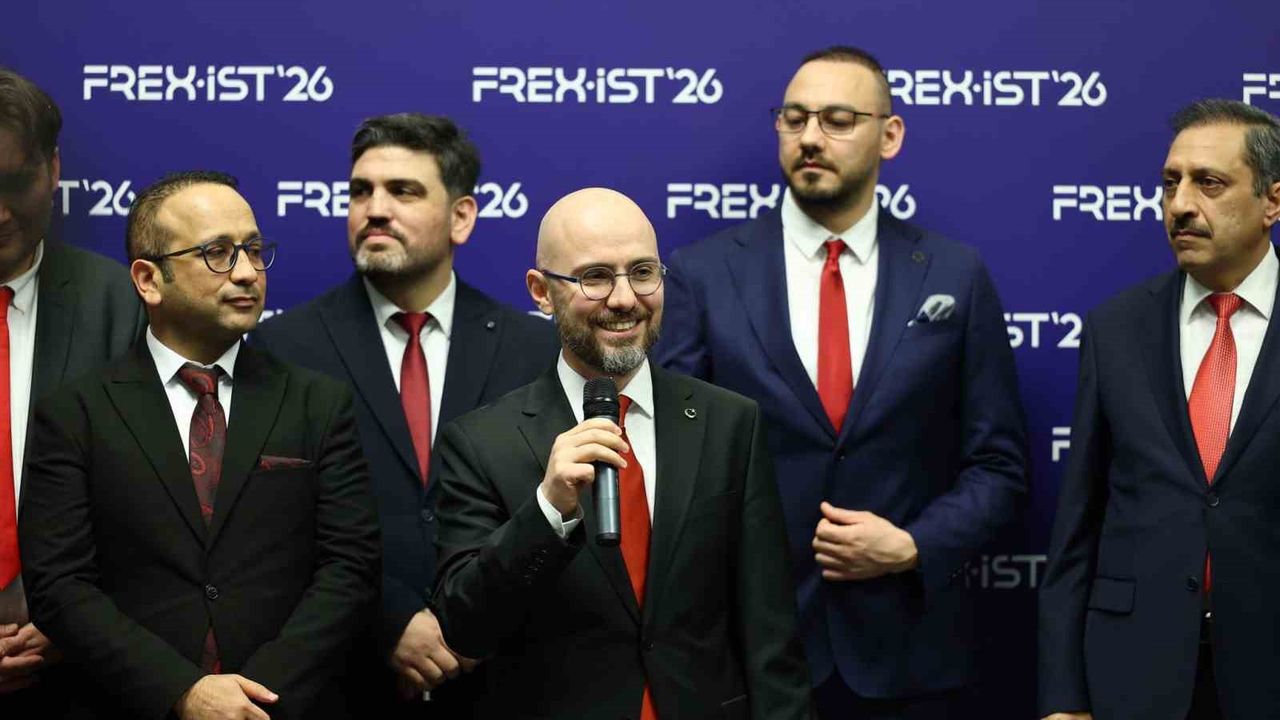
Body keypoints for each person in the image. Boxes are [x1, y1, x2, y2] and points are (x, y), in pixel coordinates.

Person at [653, 46, 1028, 718]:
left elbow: (999, 466)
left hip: (908, 654)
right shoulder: (703, 275)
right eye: (794, 119)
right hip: (747, 657)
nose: (810, 138)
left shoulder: (955, 276)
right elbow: (674, 465)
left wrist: (914, 545)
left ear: (890, 134)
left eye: (837, 119)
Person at [432, 187, 812, 719]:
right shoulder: (480, 442)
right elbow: (465, 627)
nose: (625, 298)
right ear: (542, 292)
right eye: (595, 277)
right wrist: (547, 511)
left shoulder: (730, 424)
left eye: (642, 272)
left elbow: (770, 636)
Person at [19, 171, 380, 719]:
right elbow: (60, 586)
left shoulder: (318, 403)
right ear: (149, 280)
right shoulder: (76, 413)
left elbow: (350, 567)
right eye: (217, 253)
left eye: (254, 250)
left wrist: (257, 696)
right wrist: (182, 691)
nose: (247, 272)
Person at [252, 112, 558, 713]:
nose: (375, 209)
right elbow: (275, 522)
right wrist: (388, 620)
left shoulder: (533, 350)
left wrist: (472, 621)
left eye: (403, 191)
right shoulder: (285, 347)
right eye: (360, 191)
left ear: (461, 217)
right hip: (345, 682)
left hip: (506, 680)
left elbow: (544, 515)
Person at [1039, 100, 1280, 720]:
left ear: (1272, 202)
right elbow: (1078, 529)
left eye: (1209, 183)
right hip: (1135, 672)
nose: (1180, 205)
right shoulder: (1115, 329)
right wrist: (1063, 697)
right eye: (1171, 184)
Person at [0, 67, 143, 710]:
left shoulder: (118, 303)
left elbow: (154, 501)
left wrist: (82, 623)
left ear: (53, 168)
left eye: (14, 183)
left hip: (85, 676)